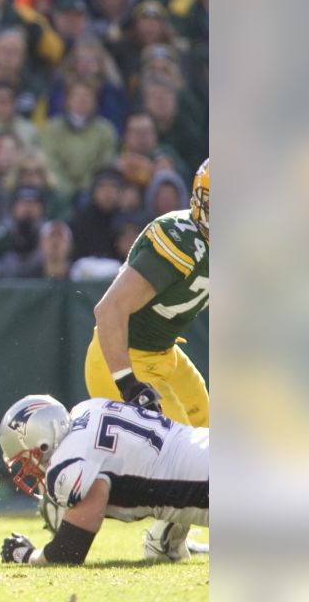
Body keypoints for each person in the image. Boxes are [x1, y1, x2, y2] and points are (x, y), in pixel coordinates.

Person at [0, 393, 208, 565]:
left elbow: (67, 552)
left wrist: (25, 555)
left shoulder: (71, 460)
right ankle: (164, 537)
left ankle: (165, 537)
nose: (30, 469)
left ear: (43, 444)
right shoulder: (88, 409)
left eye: (27, 460)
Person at [85, 159, 208, 424]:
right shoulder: (181, 240)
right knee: (182, 455)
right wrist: (128, 383)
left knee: (208, 432)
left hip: (164, 354)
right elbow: (108, 309)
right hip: (123, 360)